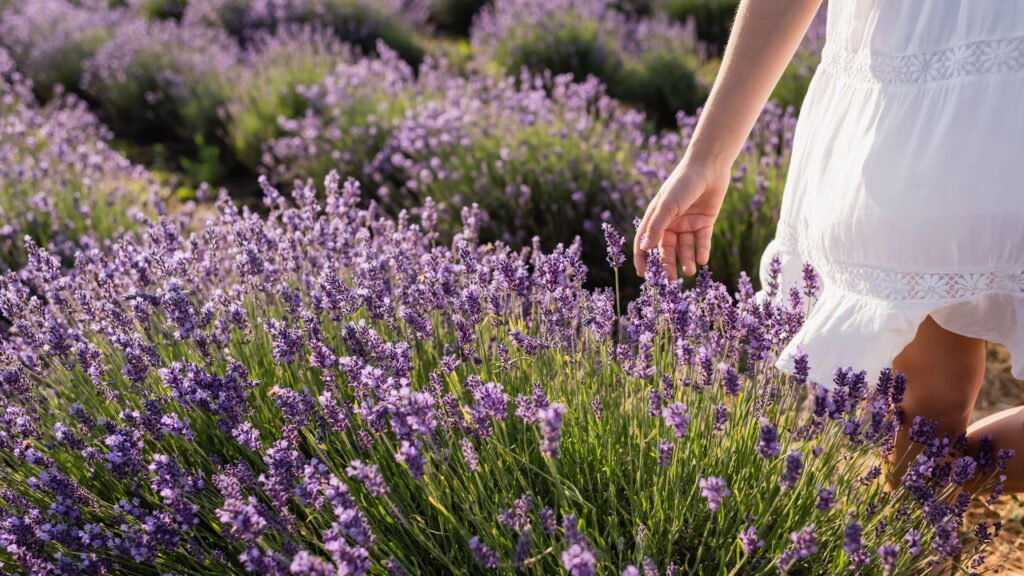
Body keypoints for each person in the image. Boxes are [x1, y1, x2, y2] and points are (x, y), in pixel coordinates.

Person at [633, 0, 1024, 492]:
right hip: (924, 97)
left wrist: (707, 157)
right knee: (932, 403)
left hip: (913, 108)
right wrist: (705, 159)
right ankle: (926, 495)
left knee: (932, 406)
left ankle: (928, 493)